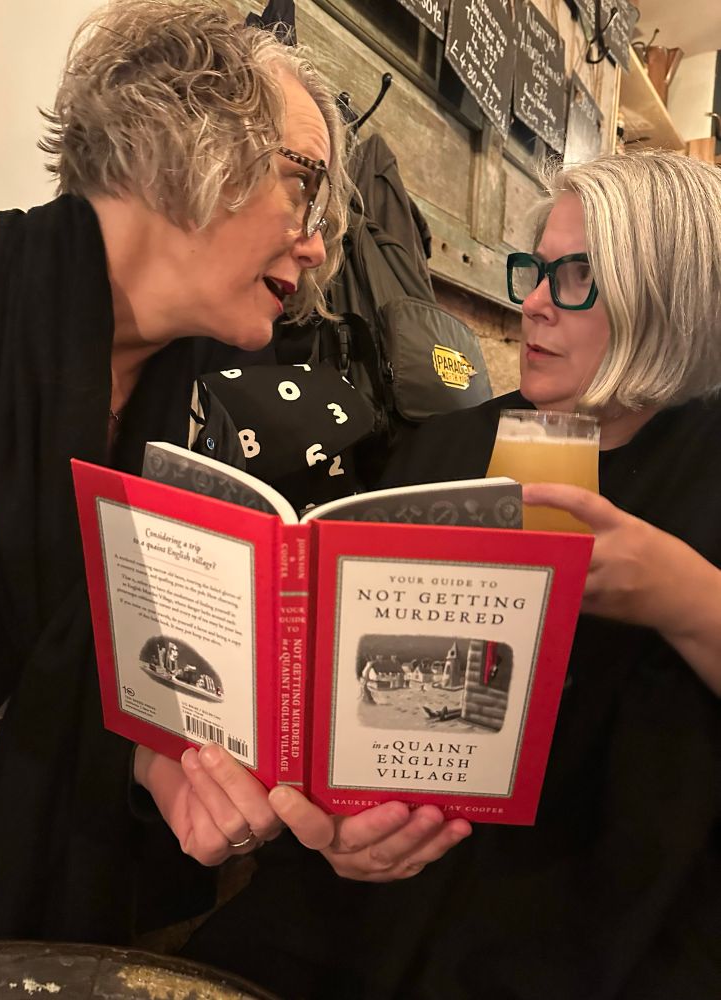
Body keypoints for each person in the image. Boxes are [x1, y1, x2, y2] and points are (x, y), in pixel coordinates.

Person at [0, 0, 468, 946]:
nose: (320, 244)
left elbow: (103, 684)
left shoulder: (192, 409)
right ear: (180, 144)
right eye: (305, 187)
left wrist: (170, 774)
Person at [183, 150, 721, 998]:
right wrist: (332, 825)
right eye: (536, 271)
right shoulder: (448, 447)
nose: (534, 302)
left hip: (599, 919)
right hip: (383, 894)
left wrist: (681, 593)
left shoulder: (705, 462)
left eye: (575, 274)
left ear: (671, 291)